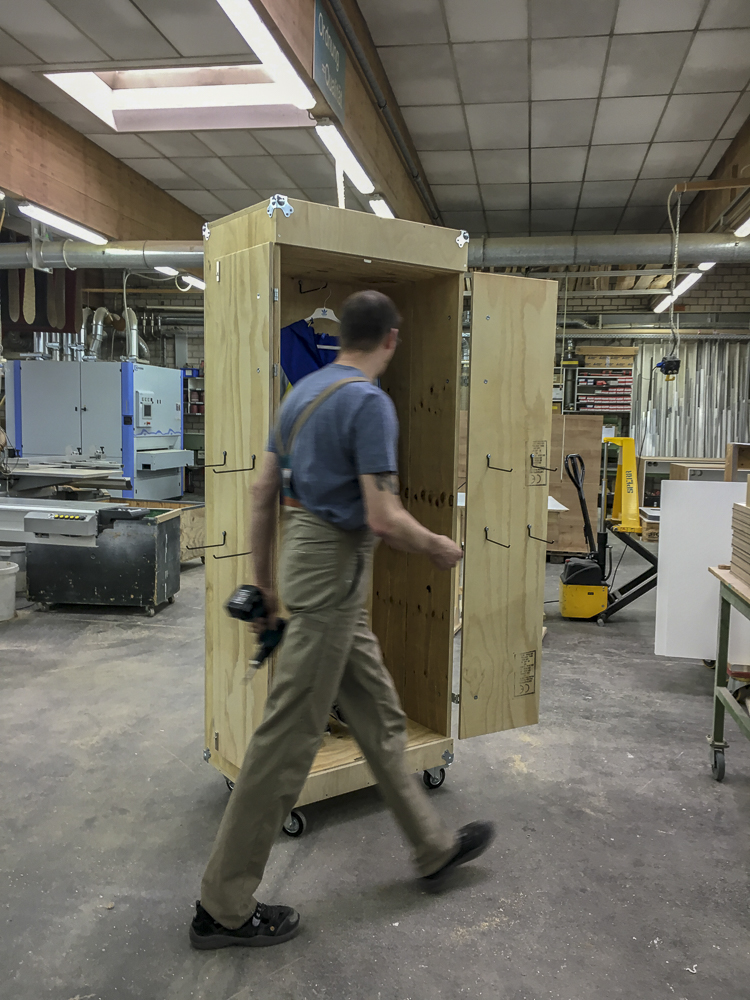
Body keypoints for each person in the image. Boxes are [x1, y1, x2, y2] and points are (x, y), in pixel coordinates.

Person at [190, 290, 495, 950]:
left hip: (313, 568)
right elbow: (382, 518)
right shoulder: (367, 403)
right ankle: (223, 906)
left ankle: (432, 847)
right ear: (391, 339)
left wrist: (265, 586)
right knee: (285, 742)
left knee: (379, 717)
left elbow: (262, 493)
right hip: (333, 575)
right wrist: (439, 547)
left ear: (340, 336)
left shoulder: (301, 394)